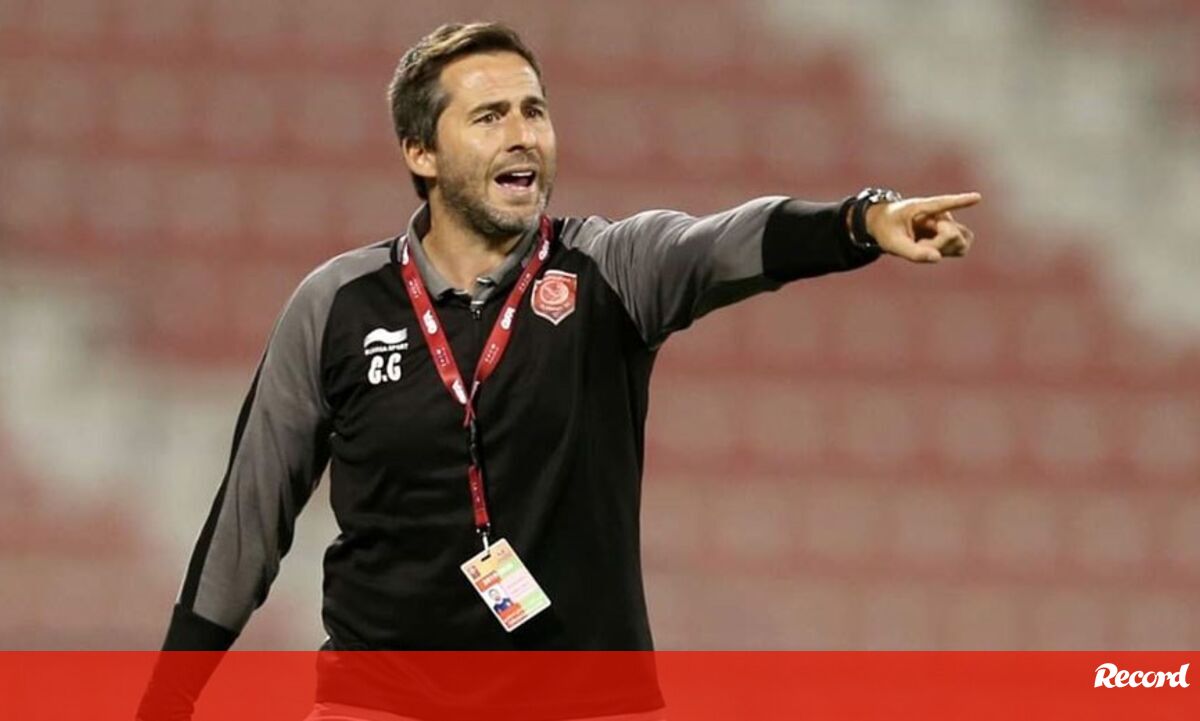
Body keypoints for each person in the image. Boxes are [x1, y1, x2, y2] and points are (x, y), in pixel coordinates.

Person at [137, 20, 979, 721]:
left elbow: (722, 242)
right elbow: (250, 514)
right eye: (490, 116)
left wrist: (860, 222)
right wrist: (168, 700)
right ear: (421, 151)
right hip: (380, 700)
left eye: (534, 110)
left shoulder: (613, 268)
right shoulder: (335, 304)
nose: (523, 134)